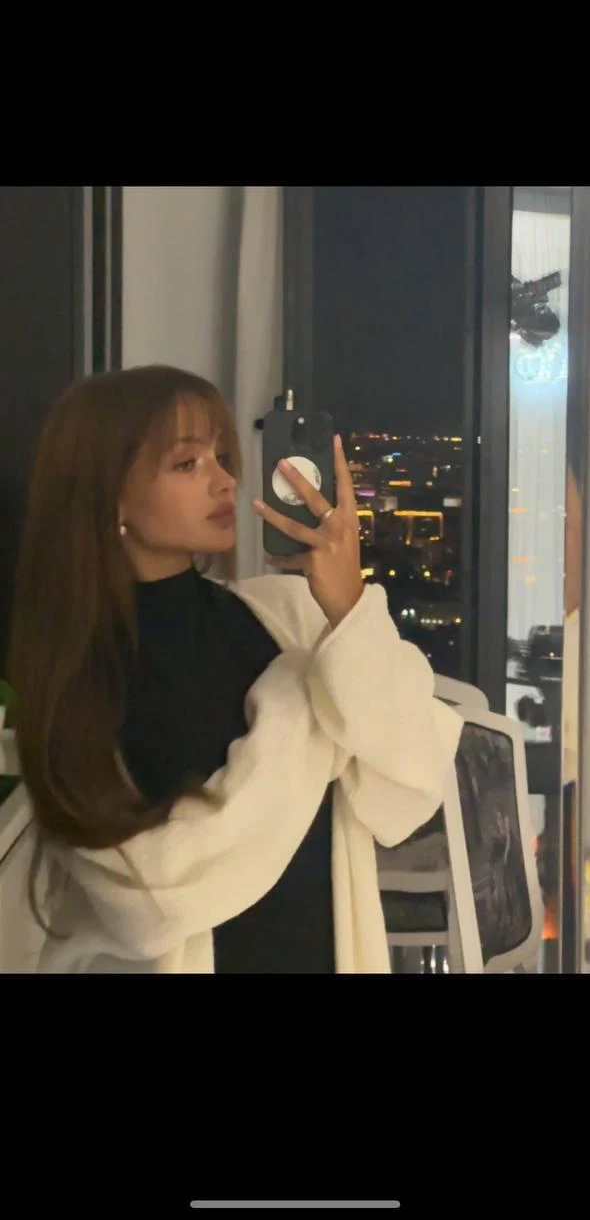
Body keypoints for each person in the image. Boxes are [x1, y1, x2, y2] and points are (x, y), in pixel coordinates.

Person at [9, 365, 462, 974]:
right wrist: (298, 717)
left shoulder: (290, 617)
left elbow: (411, 780)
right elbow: (150, 899)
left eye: (223, 457)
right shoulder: (82, 678)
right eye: (187, 463)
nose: (225, 481)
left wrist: (349, 608)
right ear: (109, 493)